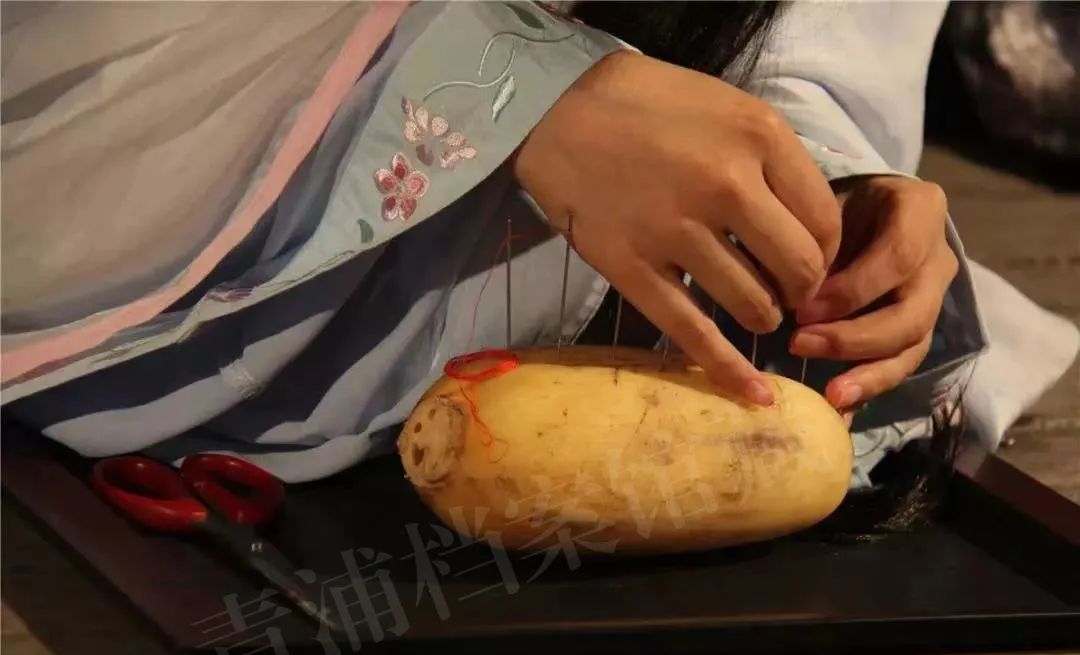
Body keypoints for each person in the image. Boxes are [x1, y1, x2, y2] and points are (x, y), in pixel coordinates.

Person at [1, 2, 1073, 489]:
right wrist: (506, 76)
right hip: (264, 160)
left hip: (578, 270)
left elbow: (812, 47)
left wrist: (820, 188)